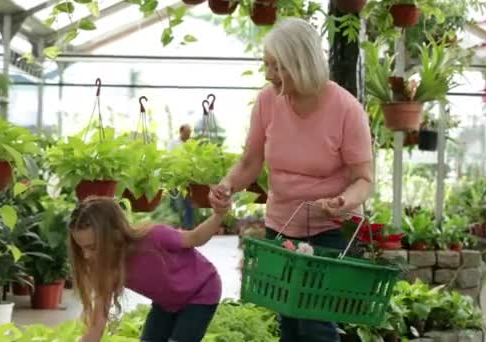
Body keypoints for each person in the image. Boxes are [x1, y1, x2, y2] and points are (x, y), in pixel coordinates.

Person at [209, 18, 373, 342]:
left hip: (328, 231)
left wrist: (344, 202)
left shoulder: (346, 109)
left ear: (301, 64)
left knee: (314, 320)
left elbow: (364, 179)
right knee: (289, 319)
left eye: (277, 66)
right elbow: (250, 162)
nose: (269, 74)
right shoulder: (268, 101)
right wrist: (227, 185)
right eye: (266, 65)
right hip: (281, 227)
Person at [69, 196, 228, 342]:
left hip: (201, 292)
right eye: (82, 249)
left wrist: (218, 215)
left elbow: (196, 237)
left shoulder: (155, 236)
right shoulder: (108, 270)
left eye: (92, 247)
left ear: (115, 233)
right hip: (167, 303)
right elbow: (97, 326)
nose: (86, 255)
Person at [168, 124, 195, 229]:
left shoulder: (191, 143)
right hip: (176, 178)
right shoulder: (173, 143)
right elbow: (169, 158)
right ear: (181, 132)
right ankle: (177, 226)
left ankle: (188, 227)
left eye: (190, 132)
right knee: (176, 203)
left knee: (189, 203)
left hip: (188, 179)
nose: (189, 134)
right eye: (187, 132)